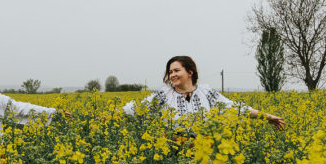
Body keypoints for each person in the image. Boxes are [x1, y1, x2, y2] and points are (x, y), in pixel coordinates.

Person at [123, 56, 286, 130]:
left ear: (190, 72)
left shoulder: (206, 92)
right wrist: (109, 117)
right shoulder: (163, 94)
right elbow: (137, 108)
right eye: (170, 71)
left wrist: (266, 116)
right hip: (172, 153)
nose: (172, 75)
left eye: (176, 70)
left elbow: (235, 107)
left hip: (204, 151)